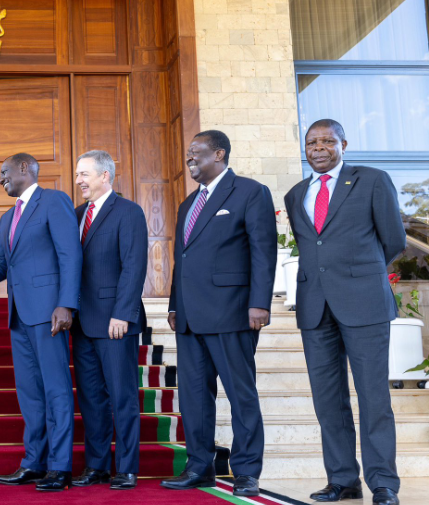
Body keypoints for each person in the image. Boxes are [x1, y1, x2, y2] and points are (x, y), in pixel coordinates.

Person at [284, 119, 405, 505]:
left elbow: (393, 239)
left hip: (364, 303)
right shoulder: (296, 193)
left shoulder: (370, 179)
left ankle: (383, 483)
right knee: (327, 399)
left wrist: (359, 275)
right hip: (315, 308)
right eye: (311, 142)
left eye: (327, 141)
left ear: (343, 144)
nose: (319, 148)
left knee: (373, 397)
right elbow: (312, 246)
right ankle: (342, 480)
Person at [0, 153, 82, 492]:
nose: (0, 179)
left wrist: (66, 303)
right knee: (29, 394)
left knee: (55, 390)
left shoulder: (54, 201)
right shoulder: (8, 217)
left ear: (25, 168)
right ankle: (33, 463)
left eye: (4, 172)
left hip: (49, 312)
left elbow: (70, 254)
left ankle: (60, 467)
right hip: (18, 315)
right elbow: (1, 266)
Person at [160, 130, 277, 498]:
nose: (189, 159)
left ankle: (245, 471)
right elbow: (183, 260)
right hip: (191, 317)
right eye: (188, 154)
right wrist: (175, 304)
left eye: (196, 154)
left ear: (220, 153)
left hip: (232, 312)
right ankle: (199, 467)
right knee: (194, 395)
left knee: (241, 395)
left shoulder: (250, 192)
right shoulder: (187, 204)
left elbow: (263, 251)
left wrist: (260, 303)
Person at [69, 150, 147, 491]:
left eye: (84, 174)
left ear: (105, 176)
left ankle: (127, 467)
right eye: (77, 174)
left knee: (122, 396)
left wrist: (123, 313)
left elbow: (134, 265)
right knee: (91, 399)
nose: (78, 181)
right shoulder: (74, 215)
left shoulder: (128, 212)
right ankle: (97, 466)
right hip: (82, 323)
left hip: (115, 321)